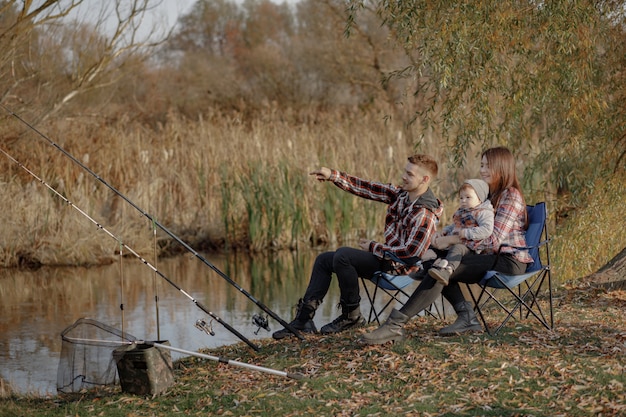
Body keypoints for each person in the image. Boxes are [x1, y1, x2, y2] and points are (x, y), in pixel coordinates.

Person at [359, 146, 533, 344]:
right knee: (435, 261)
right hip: (487, 255)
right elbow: (468, 224)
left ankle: (394, 325)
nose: (482, 170)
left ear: (502, 167)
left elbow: (493, 240)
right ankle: (466, 317)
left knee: (441, 268)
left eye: (488, 166)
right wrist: (444, 236)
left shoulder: (510, 196)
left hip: (509, 261)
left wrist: (452, 240)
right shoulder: (488, 194)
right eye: (481, 165)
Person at [272, 154, 443, 339]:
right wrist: (332, 175)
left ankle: (351, 316)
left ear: (425, 179)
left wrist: (373, 247)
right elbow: (365, 187)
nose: (403, 176)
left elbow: (411, 254)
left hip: (401, 269)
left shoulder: (425, 213)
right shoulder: (401, 195)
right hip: (387, 259)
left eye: (409, 174)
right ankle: (304, 320)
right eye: (405, 171)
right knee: (324, 260)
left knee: (344, 255)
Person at [427, 179, 494, 286]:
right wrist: (446, 230)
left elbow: (487, 229)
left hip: (472, 248)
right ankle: (425, 264)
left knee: (457, 249)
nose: (463, 200)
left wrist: (467, 233)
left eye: (468, 197)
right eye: (461, 198)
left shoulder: (483, 212)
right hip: (459, 241)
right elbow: (455, 225)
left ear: (480, 199)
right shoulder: (463, 211)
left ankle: (447, 270)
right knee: (434, 244)